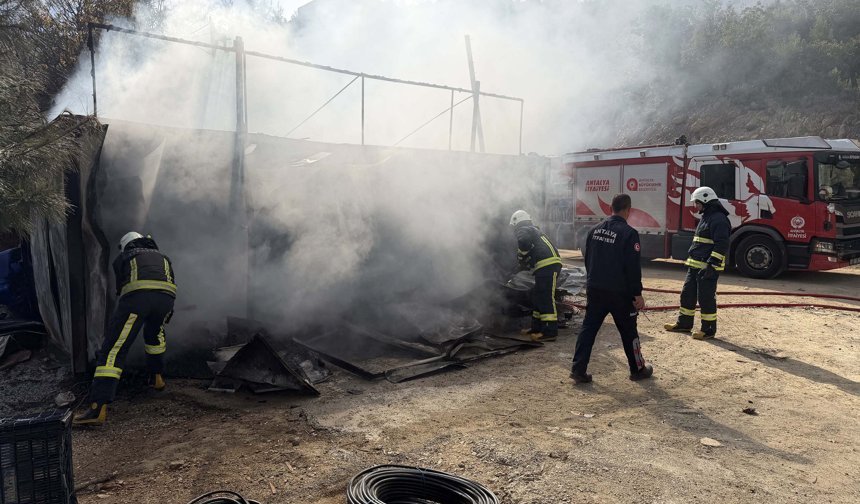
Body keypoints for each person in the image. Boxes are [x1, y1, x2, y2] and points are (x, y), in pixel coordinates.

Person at [74, 232, 177, 426]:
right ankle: (157, 378)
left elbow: (121, 290)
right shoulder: (163, 257)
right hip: (166, 301)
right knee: (154, 335)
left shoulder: (124, 257)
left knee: (113, 349)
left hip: (138, 300)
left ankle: (98, 407)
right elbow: (170, 283)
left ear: (126, 245)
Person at [570, 193, 652, 384]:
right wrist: (637, 293)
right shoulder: (629, 233)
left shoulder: (594, 230)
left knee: (588, 329)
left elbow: (588, 259)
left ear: (610, 209)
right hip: (619, 294)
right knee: (629, 331)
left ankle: (578, 369)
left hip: (596, 289)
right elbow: (632, 267)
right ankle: (637, 369)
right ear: (628, 210)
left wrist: (592, 282)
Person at [664, 186, 730, 340]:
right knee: (687, 294)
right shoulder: (707, 217)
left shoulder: (719, 219)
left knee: (706, 298)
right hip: (695, 266)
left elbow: (721, 244)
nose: (696, 206)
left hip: (708, 268)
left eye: (698, 203)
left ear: (706, 201)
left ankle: (708, 330)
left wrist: (711, 264)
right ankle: (684, 324)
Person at [510, 209, 563, 342]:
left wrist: (521, 257)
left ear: (517, 222)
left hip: (548, 266)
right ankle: (537, 327)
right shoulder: (533, 229)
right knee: (537, 296)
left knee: (545, 297)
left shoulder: (523, 229)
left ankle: (550, 332)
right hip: (544, 266)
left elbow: (523, 242)